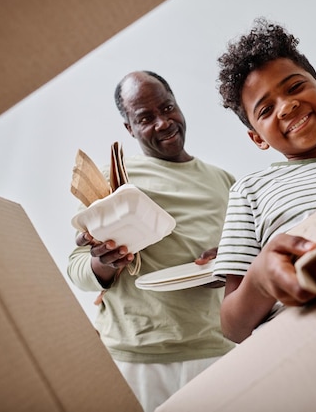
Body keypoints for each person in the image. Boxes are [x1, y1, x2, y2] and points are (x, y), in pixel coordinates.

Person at [67, 70, 236, 412]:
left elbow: (252, 259)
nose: (163, 122)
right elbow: (76, 269)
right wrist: (103, 263)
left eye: (167, 108)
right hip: (134, 357)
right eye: (145, 118)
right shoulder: (113, 180)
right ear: (129, 128)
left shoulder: (225, 181)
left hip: (214, 349)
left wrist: (230, 259)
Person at [213, 18, 316, 343]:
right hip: (313, 336)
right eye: (266, 109)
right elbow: (233, 327)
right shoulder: (250, 191)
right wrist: (259, 280)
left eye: (294, 87)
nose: (287, 106)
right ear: (257, 138)